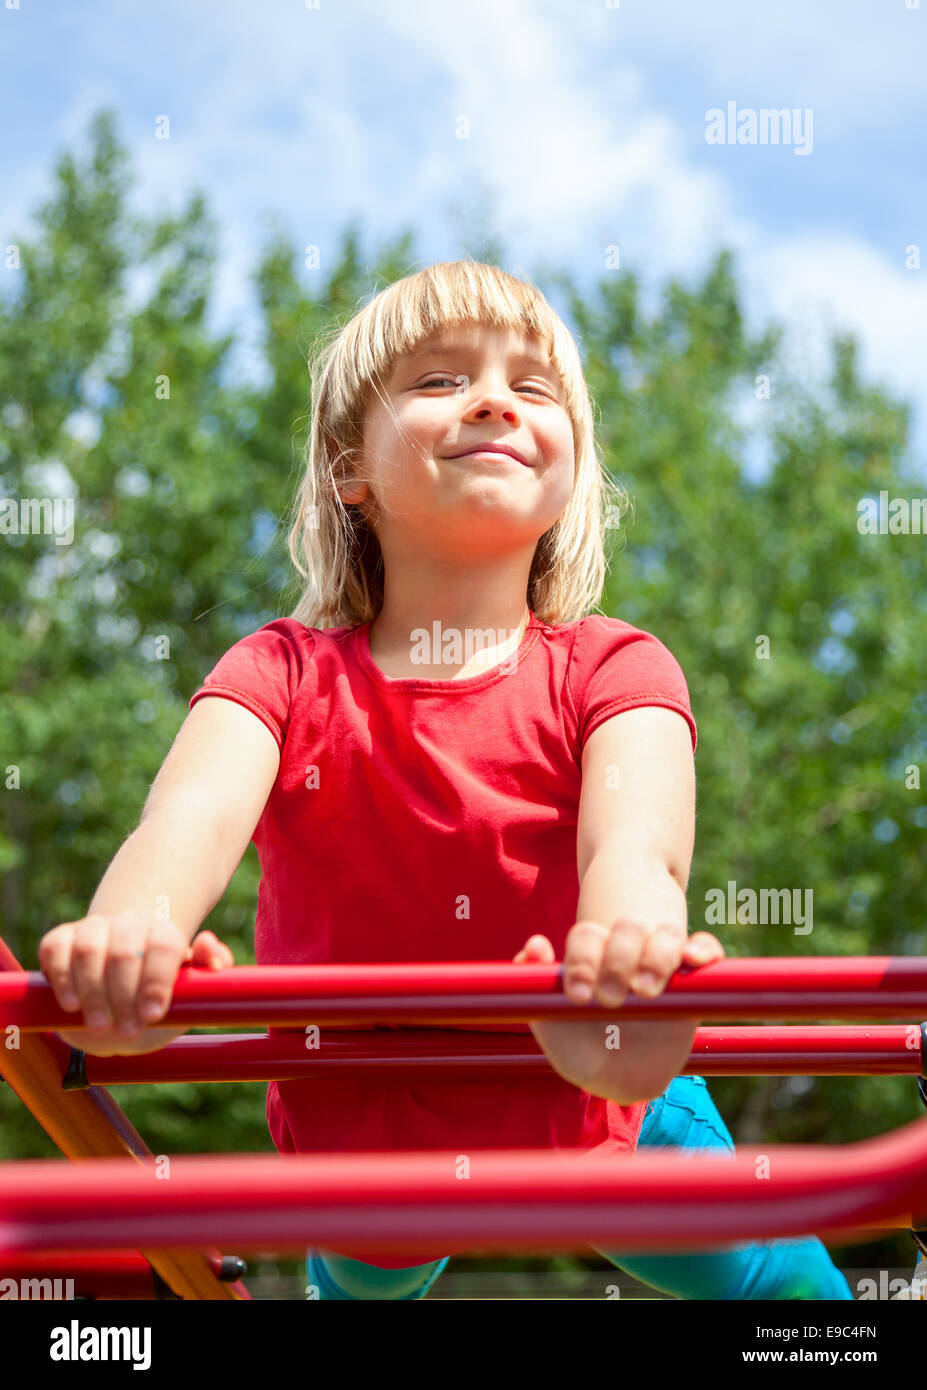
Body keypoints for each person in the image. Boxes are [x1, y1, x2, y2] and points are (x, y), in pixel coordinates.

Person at [37, 259, 851, 1301]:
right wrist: (133, 942)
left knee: (796, 1297)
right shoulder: (279, 673)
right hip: (364, 1138)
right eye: (437, 378)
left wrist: (624, 973)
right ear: (349, 467)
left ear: (573, 469)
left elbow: (637, 854)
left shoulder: (616, 668)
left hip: (598, 1107)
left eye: (536, 385)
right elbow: (183, 819)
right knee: (366, 1278)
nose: (495, 398)